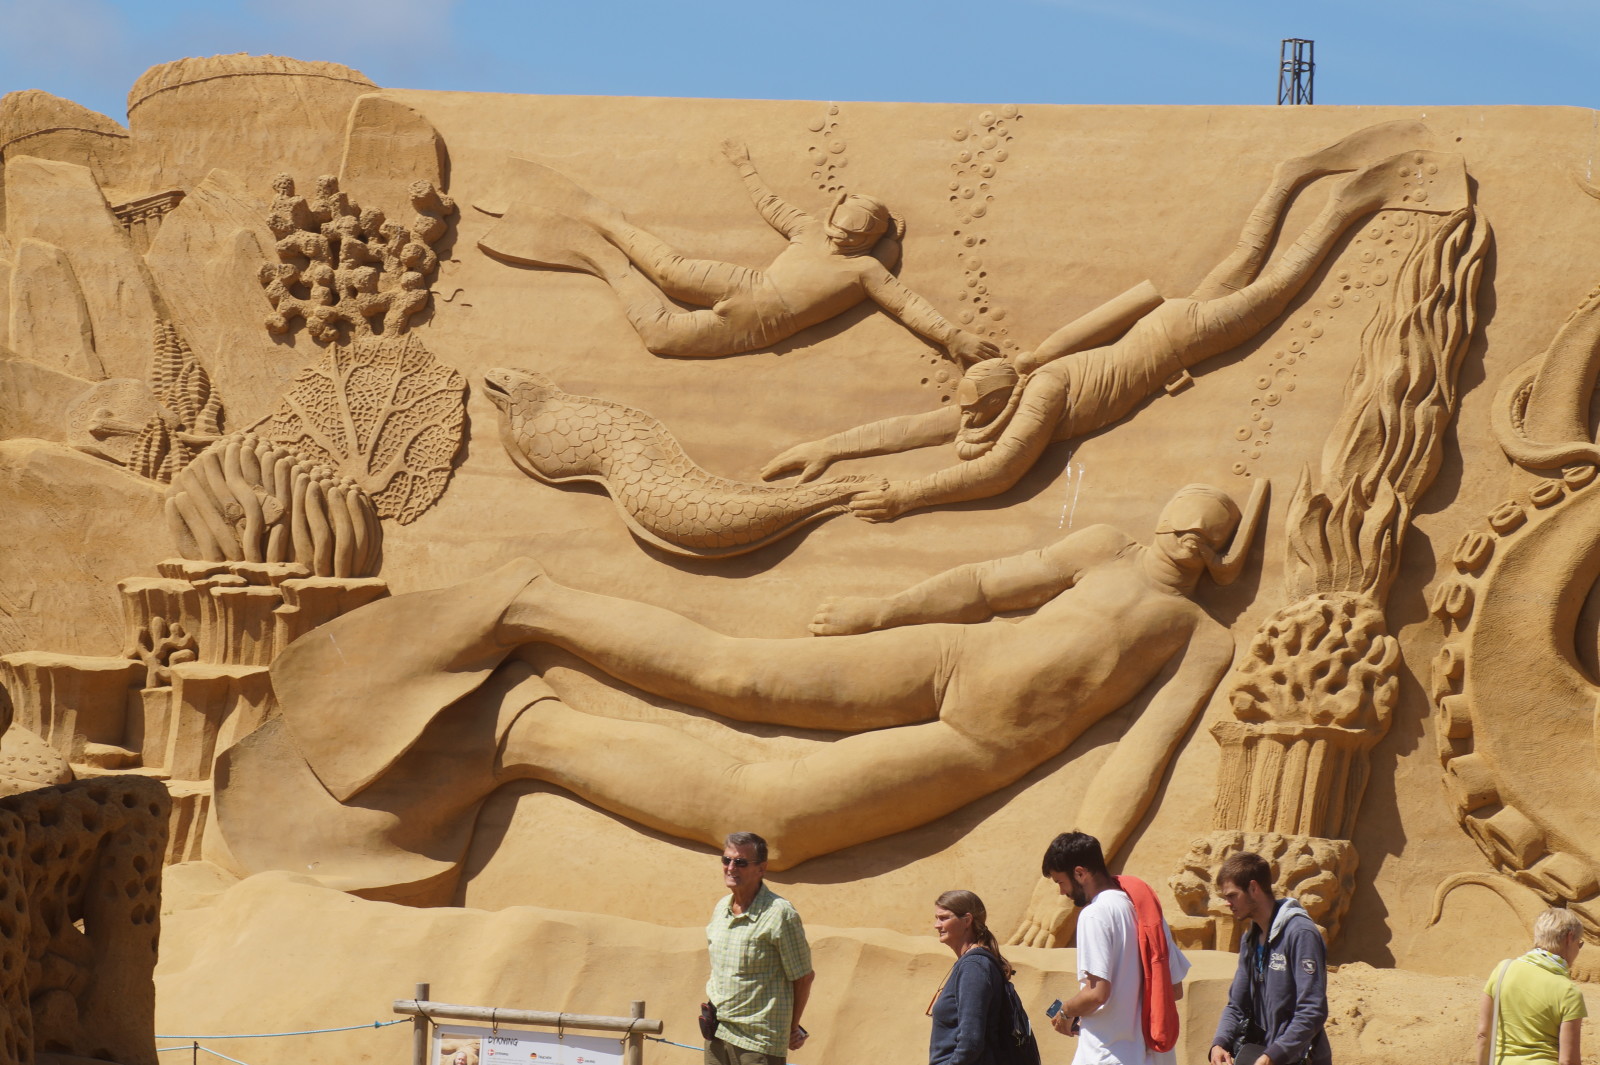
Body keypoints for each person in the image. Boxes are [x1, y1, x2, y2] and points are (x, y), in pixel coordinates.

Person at [213, 481, 1266, 898]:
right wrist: (879, 611)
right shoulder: (1098, 546)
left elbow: (1142, 756)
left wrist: (1079, 876)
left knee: (771, 816)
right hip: (948, 657)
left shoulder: (1196, 639)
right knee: (734, 669)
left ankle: (525, 731)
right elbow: (988, 586)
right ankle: (534, 605)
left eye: (1203, 535)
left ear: (1219, 557)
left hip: (978, 747)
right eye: (1178, 519)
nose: (1182, 537)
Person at [759, 125, 1469, 524]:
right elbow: (921, 427)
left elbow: (999, 473)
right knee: (1249, 256)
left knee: (1280, 282)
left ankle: (1353, 200)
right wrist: (827, 448)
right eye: (970, 409)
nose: (965, 418)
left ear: (999, 399)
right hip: (1165, 323)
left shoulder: (1038, 396)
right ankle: (1289, 176)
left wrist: (906, 496)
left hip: (1184, 336)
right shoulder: (1021, 381)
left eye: (974, 410)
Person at [477, 141, 998, 362]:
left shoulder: (866, 271)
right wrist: (744, 165)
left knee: (660, 337)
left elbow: (909, 306)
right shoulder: (810, 231)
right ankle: (601, 217)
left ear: (870, 241)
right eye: (838, 228)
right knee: (666, 269)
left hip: (763, 326)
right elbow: (771, 206)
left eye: (853, 237)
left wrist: (954, 337)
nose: (840, 239)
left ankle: (600, 258)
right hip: (747, 284)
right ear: (831, 217)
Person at [1041, 832, 1189, 1065]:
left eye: (1060, 882)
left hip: (1109, 1054)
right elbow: (1174, 989)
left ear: (1079, 873)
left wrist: (1066, 1012)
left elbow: (1097, 994)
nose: (1062, 892)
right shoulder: (1146, 912)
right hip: (1154, 1055)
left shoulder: (1094, 914)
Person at [1209, 852, 1330, 1065]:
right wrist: (1220, 1043)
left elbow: (1312, 1010)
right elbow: (1237, 1005)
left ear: (1253, 888)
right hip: (1261, 1053)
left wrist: (1274, 1054)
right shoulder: (1250, 938)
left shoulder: (1300, 933)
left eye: (1232, 895)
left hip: (1297, 1058)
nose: (1227, 903)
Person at [705, 832, 814, 1065]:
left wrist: (792, 1027)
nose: (731, 867)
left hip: (757, 1042)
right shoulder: (721, 908)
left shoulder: (780, 913)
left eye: (740, 862)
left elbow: (803, 977)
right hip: (717, 1034)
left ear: (761, 868)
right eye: (726, 860)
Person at [1476, 907, 1586, 1065]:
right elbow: (1567, 1060)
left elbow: (1483, 1034)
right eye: (1579, 944)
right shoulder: (1569, 991)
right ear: (1569, 938)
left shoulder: (1503, 970)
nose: (1578, 951)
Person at [929, 890, 1018, 1065]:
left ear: (967, 920)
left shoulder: (974, 966)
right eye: (937, 918)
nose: (936, 925)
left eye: (944, 918)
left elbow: (970, 1042)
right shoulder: (971, 963)